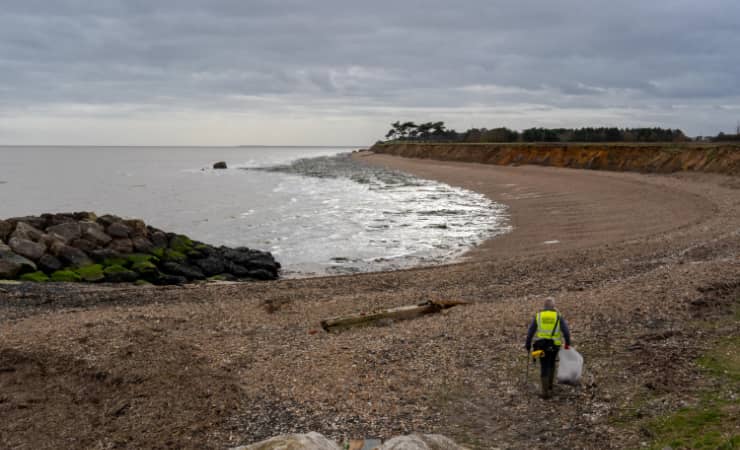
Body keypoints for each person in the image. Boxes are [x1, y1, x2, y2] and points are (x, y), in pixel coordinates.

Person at [525, 297, 571, 398]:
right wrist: (567, 343)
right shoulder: (558, 316)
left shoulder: (539, 316)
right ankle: (550, 385)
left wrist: (528, 344)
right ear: (553, 306)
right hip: (555, 345)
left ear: (544, 306)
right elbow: (566, 332)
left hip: (542, 345)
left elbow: (530, 331)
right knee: (551, 363)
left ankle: (545, 392)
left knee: (544, 365)